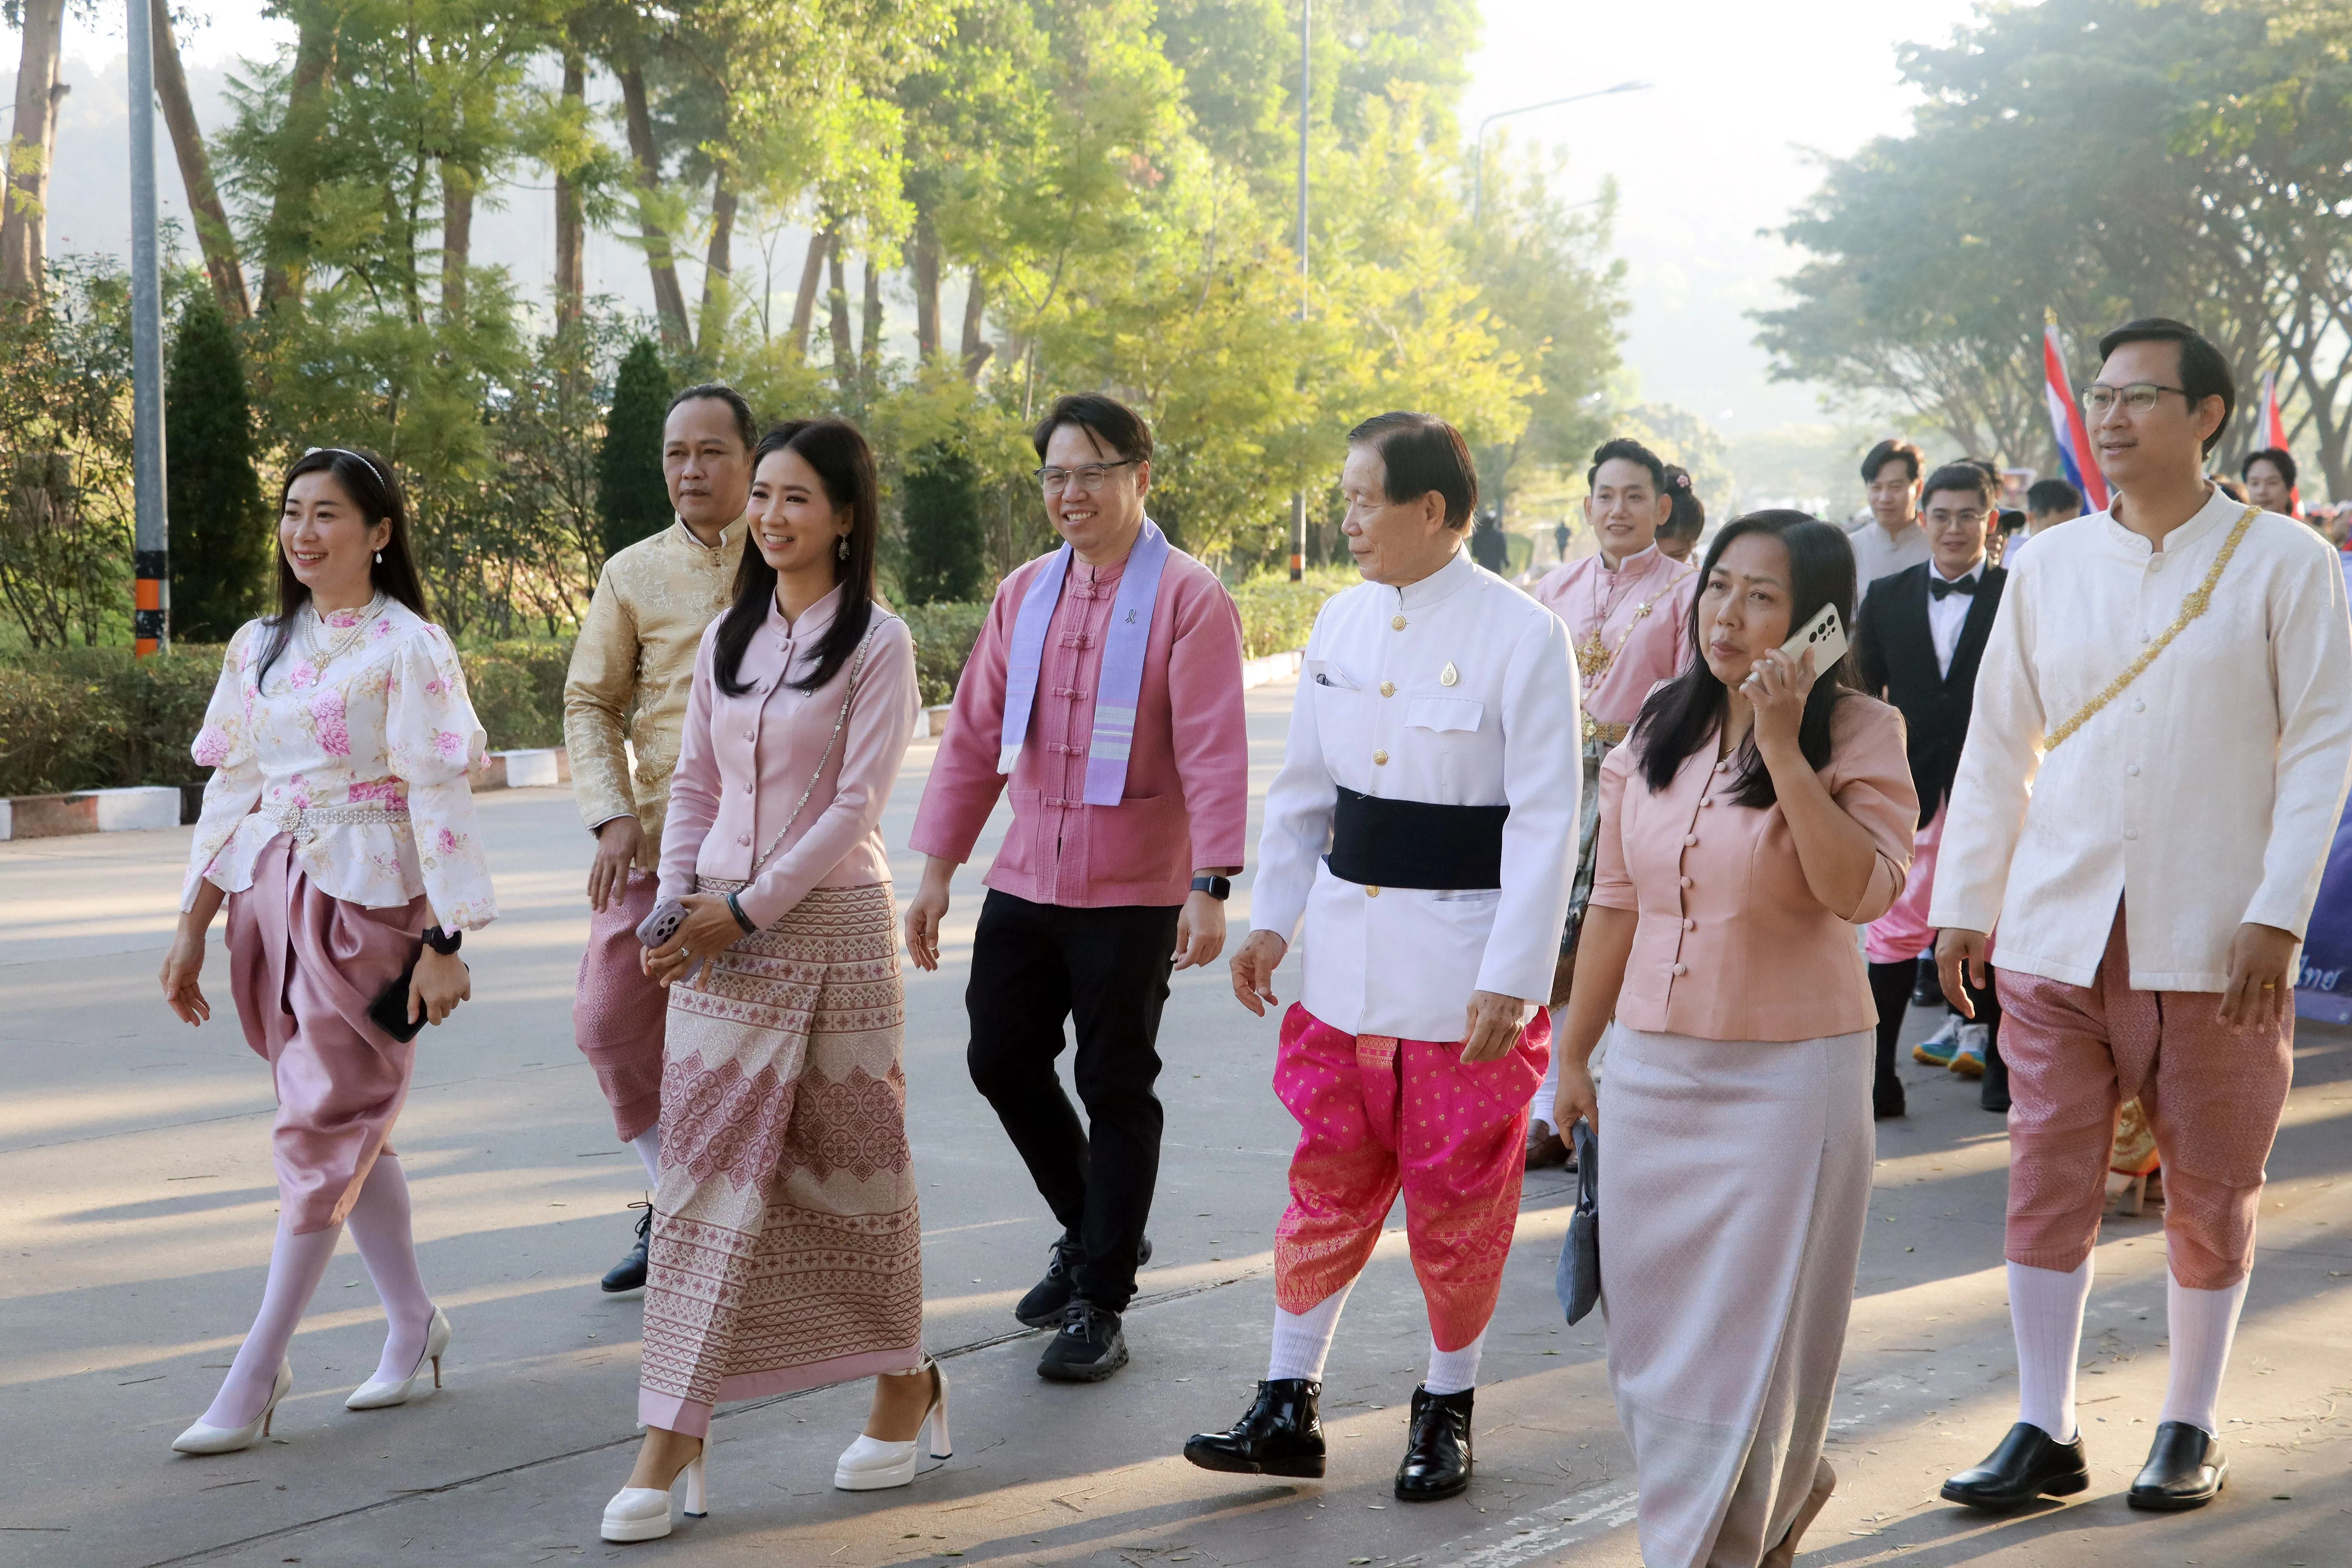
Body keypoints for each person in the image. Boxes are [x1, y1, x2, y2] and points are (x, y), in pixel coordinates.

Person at [1934, 318, 2352, 1515]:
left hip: (2215, 935)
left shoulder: (2283, 561)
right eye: (2100, 398)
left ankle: (2187, 1420)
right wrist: (1965, 900)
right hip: (2057, 925)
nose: (2109, 418)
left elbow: (2322, 744)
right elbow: (1996, 743)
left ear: (2205, 415)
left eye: (2139, 398)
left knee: (2212, 1185)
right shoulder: (2047, 567)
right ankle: (2040, 1424)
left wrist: (2278, 912)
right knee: (2041, 1171)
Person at [1184, 412, 1579, 1502]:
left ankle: (1445, 1403)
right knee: (1327, 1184)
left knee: (1460, 1205)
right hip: (1347, 973)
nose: (1347, 518)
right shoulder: (1340, 623)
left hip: (1464, 976)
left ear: (1434, 511)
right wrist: (1274, 921)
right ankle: (1286, 1401)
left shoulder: (1521, 633)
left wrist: (1516, 973)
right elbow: (1308, 794)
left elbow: (1548, 820)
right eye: (1345, 495)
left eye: (1364, 499)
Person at [1555, 510, 1917, 1568]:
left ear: (1814, 623)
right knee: (1655, 1347)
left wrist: (1781, 751)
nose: (1729, 613)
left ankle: (1706, 1544)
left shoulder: (1860, 733)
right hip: (1654, 1073)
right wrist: (1573, 1057)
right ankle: (1779, 1490)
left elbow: (1859, 893)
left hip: (1792, 1082)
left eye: (1763, 597)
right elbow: (1615, 902)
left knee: (1755, 1343)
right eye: (1719, 586)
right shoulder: (1656, 724)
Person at [601, 419, 926, 1543]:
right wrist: (679, 900)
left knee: (850, 1171)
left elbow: (854, 808)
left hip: (829, 929)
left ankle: (903, 1381)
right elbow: (689, 777)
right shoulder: (731, 637)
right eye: (766, 497)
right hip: (714, 938)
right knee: (700, 1183)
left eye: (798, 499)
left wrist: (740, 910)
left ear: (844, 517)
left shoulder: (879, 642)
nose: (772, 517)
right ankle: (673, 1434)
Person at [906, 393, 1250, 1383]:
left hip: (1136, 886)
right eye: (1056, 475)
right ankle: (1097, 1224)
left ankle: (1101, 1295)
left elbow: (1216, 750)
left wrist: (1210, 882)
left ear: (1140, 476)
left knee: (1113, 1081)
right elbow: (974, 735)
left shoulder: (1188, 595)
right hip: (1028, 873)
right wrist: (936, 872)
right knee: (1000, 1057)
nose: (1072, 493)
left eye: (1092, 472)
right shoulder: (1025, 591)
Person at [160, 447, 496, 1454]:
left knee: (321, 1127)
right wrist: (192, 921)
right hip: (271, 895)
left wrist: (444, 938)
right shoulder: (259, 643)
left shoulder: (411, 646)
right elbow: (232, 787)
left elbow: (438, 790)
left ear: (381, 531)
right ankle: (412, 1323)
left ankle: (256, 1372)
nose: (305, 534)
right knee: (353, 1127)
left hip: (374, 902)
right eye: (293, 514)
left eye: (330, 516)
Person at [564, 385, 759, 1293]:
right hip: (654, 851)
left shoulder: (792, 556)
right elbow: (591, 701)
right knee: (609, 1023)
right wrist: (610, 817)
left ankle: (747, 1231)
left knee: (749, 1054)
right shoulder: (632, 572)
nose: (692, 469)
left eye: (712, 451)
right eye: (677, 452)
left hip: (768, 857)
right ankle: (673, 1200)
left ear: (752, 460)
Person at [1524, 438, 1699, 1165]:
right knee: (1545, 937)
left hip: (1641, 776)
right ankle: (1541, 1105)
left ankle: (1602, 1094)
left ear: (1662, 507)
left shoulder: (1691, 589)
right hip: (1554, 778)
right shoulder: (1550, 589)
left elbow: (1695, 693)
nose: (1618, 509)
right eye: (1605, 496)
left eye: (1635, 496)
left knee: (1616, 936)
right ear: (1588, 505)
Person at [1852, 463, 2008, 1119]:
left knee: (1997, 927)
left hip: (1996, 788)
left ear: (1990, 521)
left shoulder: (2018, 593)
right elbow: (1860, 697)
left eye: (1967, 515)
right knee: (1890, 929)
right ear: (1923, 519)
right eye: (1940, 515)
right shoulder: (1885, 597)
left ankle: (2002, 1063)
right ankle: (1878, 1077)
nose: (1952, 528)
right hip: (1908, 790)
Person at [1846, 437, 1932, 590]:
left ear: (1919, 488)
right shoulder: (1850, 549)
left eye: (1895, 487)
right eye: (1876, 488)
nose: (1884, 499)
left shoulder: (1938, 545)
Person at [1998, 477, 2084, 572]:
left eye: (2073, 528)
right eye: (2057, 529)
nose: (2066, 537)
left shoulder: (2084, 559)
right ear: (2031, 519)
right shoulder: (2010, 559)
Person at [1656, 464, 1706, 563]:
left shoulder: (1697, 578)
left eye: (1676, 556)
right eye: (1654, 555)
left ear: (1693, 545)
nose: (1664, 564)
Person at [2241, 446, 2298, 519]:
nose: (2262, 491)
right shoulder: (2234, 529)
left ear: (2289, 487)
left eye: (2272, 483)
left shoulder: (2304, 530)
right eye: (2255, 483)